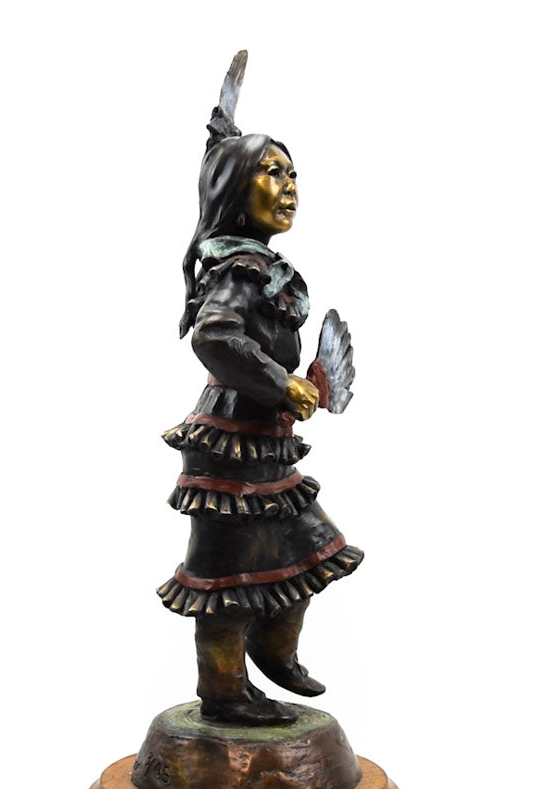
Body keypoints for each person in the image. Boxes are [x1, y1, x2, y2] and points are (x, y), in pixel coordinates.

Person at [156, 99, 363, 725]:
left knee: (311, 546)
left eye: (292, 174)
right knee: (227, 581)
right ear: (234, 191)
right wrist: (281, 384)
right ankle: (223, 690)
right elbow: (215, 337)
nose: (289, 186)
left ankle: (275, 648)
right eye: (272, 172)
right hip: (230, 448)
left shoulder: (260, 264)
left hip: (264, 442)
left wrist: (299, 388)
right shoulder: (240, 268)